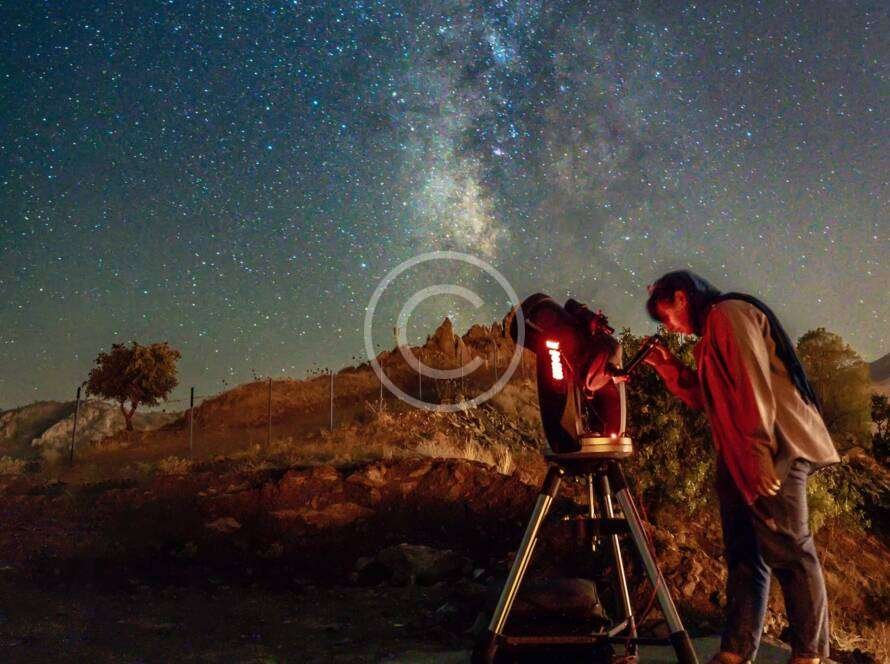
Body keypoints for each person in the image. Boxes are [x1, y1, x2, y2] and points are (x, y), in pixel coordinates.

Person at [638, 270, 839, 664]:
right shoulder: (711, 334)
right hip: (739, 456)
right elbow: (708, 397)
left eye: (666, 315)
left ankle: (810, 655)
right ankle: (735, 650)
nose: (669, 327)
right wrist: (668, 368)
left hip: (775, 447)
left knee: (791, 552)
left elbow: (752, 384)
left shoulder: (728, 313)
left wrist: (759, 453)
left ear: (681, 297)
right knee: (744, 556)